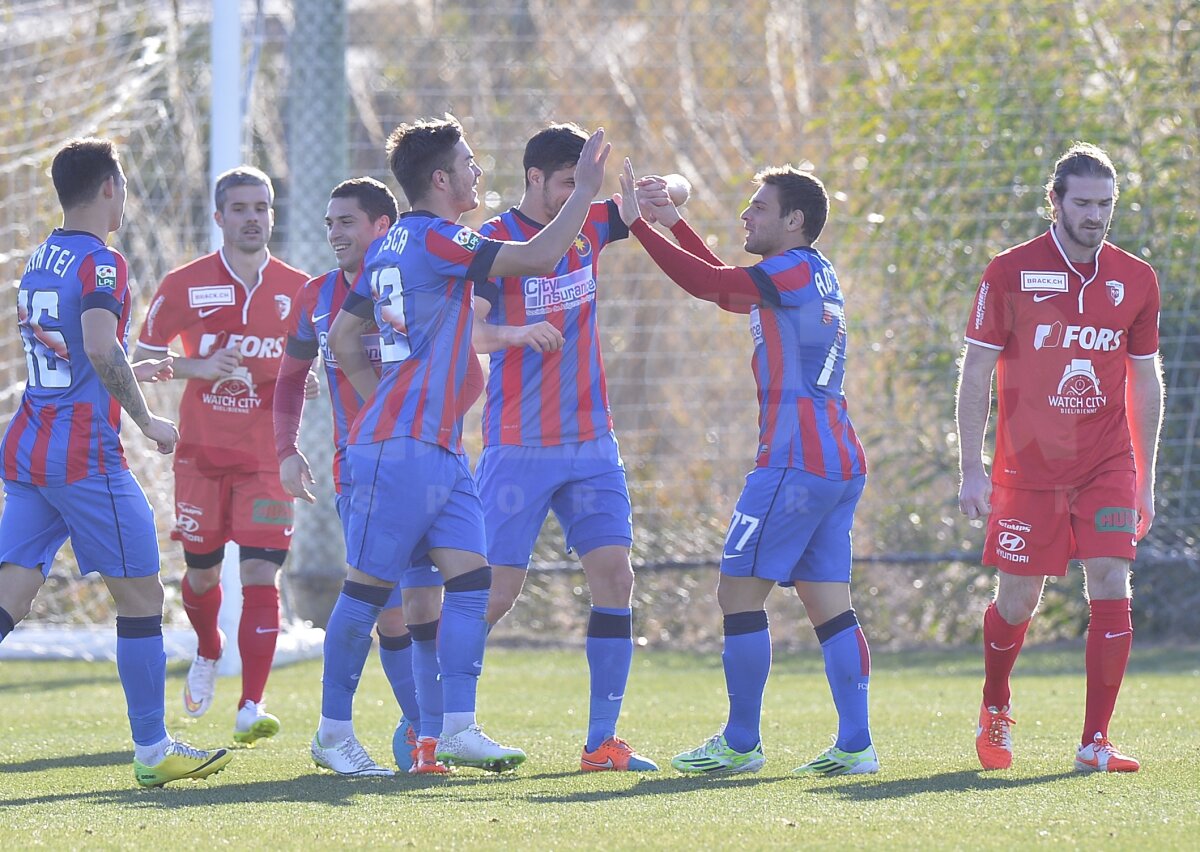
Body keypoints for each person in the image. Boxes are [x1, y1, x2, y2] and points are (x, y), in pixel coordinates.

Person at [324, 115, 609, 772]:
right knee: (366, 592)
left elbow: (344, 340)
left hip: (437, 448)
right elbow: (538, 257)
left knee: (472, 582)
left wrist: (384, 404)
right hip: (401, 450)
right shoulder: (435, 238)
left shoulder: (393, 244)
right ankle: (334, 731)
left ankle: (455, 727)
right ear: (442, 178)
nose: (480, 173)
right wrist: (585, 192)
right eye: (471, 163)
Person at [614, 160, 878, 776]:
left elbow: (713, 287)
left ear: (794, 220)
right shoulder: (810, 271)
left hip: (794, 461)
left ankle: (739, 743)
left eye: (759, 207)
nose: (746, 215)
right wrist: (675, 223)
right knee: (830, 605)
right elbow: (730, 286)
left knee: (737, 592)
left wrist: (641, 227)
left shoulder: (784, 271)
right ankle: (857, 744)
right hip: (837, 459)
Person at [0, 137, 232, 787]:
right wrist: (148, 418)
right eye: (124, 185)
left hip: (30, 446)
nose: (125, 197)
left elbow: (78, 348)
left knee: (9, 597)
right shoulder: (103, 262)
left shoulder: (39, 259)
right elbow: (100, 347)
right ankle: (154, 751)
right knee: (140, 597)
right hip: (84, 457)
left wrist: (137, 365)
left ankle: (156, 747)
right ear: (109, 188)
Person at [957, 142, 1163, 773]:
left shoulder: (1137, 279)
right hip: (1027, 466)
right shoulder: (1010, 271)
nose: (1095, 215)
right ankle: (995, 705)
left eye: (1105, 204)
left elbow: (1146, 381)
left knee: (1110, 580)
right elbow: (976, 371)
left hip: (1107, 463)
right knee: (1018, 600)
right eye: (1083, 203)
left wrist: (1143, 482)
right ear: (1055, 202)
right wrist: (972, 466)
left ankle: (1094, 741)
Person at [273, 177, 481, 776]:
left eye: (348, 222)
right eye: (330, 223)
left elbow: (471, 375)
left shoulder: (420, 284)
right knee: (386, 608)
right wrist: (287, 449)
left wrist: (421, 428)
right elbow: (289, 379)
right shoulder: (316, 297)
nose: (335, 234)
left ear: (383, 227)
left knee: (427, 600)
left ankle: (429, 736)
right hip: (360, 468)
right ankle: (415, 729)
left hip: (418, 463)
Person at [473, 123, 656, 773]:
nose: (575, 197)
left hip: (592, 444)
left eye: (582, 185)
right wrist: (518, 333)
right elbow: (475, 336)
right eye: (564, 185)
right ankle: (429, 725)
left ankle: (601, 742)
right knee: (493, 595)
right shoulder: (493, 239)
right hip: (519, 445)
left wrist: (661, 190)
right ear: (533, 178)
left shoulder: (589, 220)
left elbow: (650, 209)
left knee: (616, 577)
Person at [132, 166, 310, 744]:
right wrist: (194, 366)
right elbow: (137, 361)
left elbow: (312, 362)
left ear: (272, 215)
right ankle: (208, 648)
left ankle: (250, 705)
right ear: (219, 217)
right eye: (240, 208)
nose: (252, 217)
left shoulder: (297, 289)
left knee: (262, 574)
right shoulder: (184, 285)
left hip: (267, 459)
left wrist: (299, 378)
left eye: (262, 207)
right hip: (201, 456)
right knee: (203, 576)